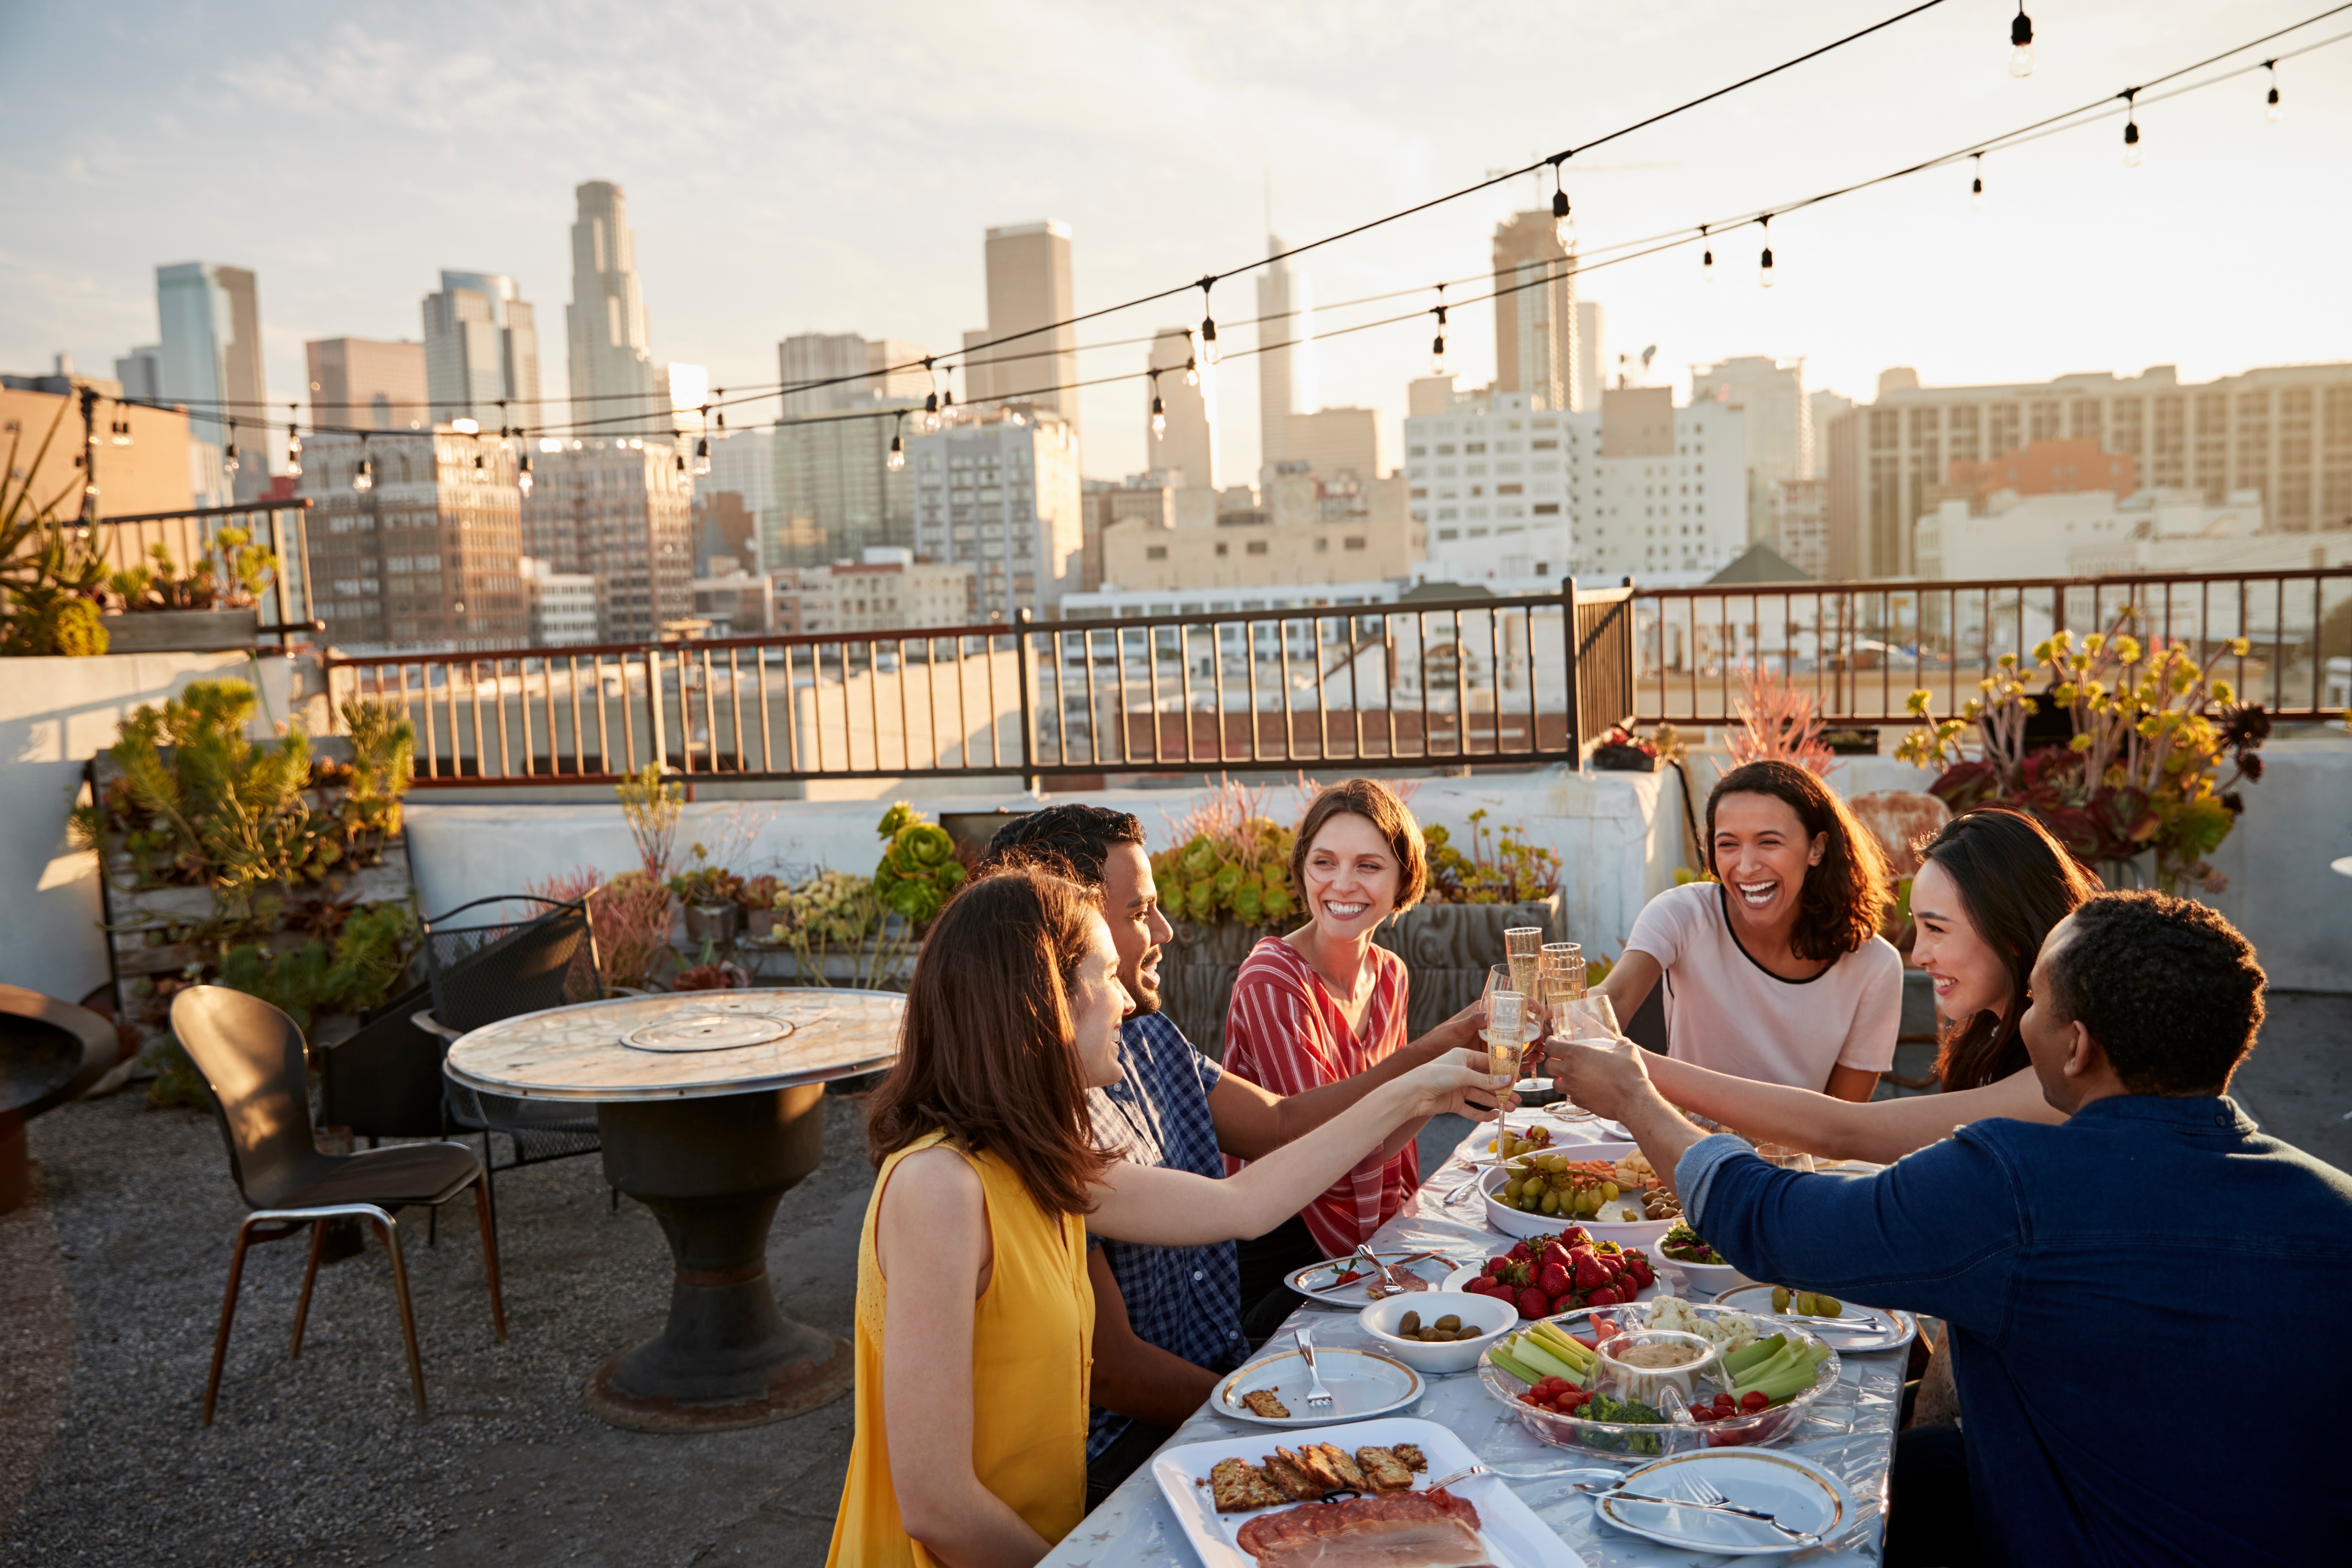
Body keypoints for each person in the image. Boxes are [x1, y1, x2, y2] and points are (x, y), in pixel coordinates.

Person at [1549, 890, 2352, 1567]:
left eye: (2037, 999)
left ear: (2075, 1046)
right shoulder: (2332, 1202)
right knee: (1922, 1458)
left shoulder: (2015, 1181)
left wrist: (1635, 1099)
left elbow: (1765, 1220)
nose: (2023, 1016)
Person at [825, 865, 1507, 1568]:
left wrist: (1423, 1086)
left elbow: (1246, 1204)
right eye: (1105, 975)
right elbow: (938, 1506)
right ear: (1046, 1002)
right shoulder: (938, 1186)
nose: (1125, 1000)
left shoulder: (1041, 1161)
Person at [980, 804, 1485, 1507]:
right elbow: (1112, 1370)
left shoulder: (1150, 1033)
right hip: (1128, 1445)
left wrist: (1432, 1063)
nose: (1165, 931)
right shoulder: (1031, 1119)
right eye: (1140, 913)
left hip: (1217, 1370)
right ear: (1061, 934)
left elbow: (1279, 1125)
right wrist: (1262, 1408)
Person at [1568, 807, 2101, 1166]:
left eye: (1938, 929)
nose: (1920, 954)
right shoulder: (2000, 1038)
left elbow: (1847, 1131)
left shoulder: (2072, 1068)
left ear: (2010, 930)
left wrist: (1635, 1072)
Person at [1219, 778, 1443, 1294]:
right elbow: (1322, 1157)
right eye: (1324, 863)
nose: (1342, 885)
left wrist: (1435, 1087)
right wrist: (1432, 1073)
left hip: (1369, 1229)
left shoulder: (1390, 974)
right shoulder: (1272, 980)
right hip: (1276, 1246)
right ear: (1303, 871)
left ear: (1402, 880)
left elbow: (1390, 1129)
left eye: (1368, 866)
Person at [1598, 759, 1901, 1100]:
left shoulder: (1876, 966)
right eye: (1728, 844)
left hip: (1797, 1152)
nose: (1746, 866)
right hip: (1686, 1145)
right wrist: (1556, 1019)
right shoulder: (1682, 914)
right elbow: (1616, 998)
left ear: (1817, 848)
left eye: (1769, 842)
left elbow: (1843, 1119)